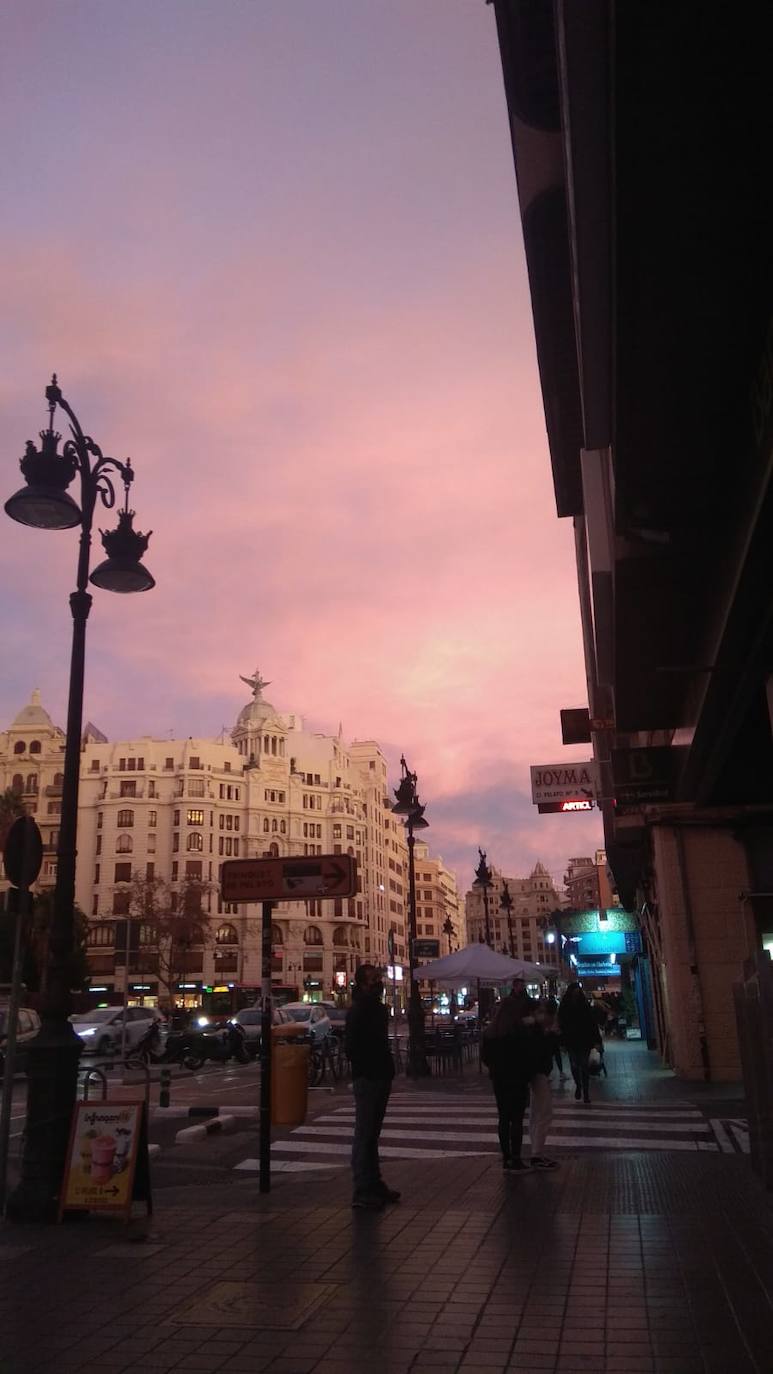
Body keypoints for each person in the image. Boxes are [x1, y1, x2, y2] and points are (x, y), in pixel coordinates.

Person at [344, 963, 399, 1210]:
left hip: (379, 1074)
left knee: (371, 1134)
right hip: (368, 1077)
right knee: (365, 1133)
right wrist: (368, 1067)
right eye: (374, 979)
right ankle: (362, 1189)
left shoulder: (374, 1008)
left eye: (379, 977)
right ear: (363, 984)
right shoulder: (360, 1009)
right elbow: (352, 1047)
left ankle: (374, 1184)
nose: (379, 982)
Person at [481, 986, 533, 1171]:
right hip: (517, 1078)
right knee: (517, 1119)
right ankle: (517, 1158)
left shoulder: (490, 1033)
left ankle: (506, 1157)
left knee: (503, 1117)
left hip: (499, 1079)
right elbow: (527, 1056)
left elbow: (485, 1058)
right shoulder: (519, 1032)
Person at [558, 982, 602, 1105]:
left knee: (583, 1065)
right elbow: (561, 1024)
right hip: (573, 1040)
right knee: (575, 1065)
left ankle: (585, 1092)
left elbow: (592, 1023)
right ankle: (579, 1085)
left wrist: (597, 1040)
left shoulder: (581, 1005)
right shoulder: (566, 1005)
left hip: (583, 1040)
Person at [528, 998, 560, 1169]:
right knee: (544, 1112)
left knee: (536, 1112)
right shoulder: (537, 1029)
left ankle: (536, 1151)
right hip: (538, 1072)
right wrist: (550, 1035)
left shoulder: (536, 1027)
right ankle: (537, 1154)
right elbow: (542, 1051)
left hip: (536, 1072)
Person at [546, 993, 566, 1080]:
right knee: (557, 1055)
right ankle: (561, 1072)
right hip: (555, 1036)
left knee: (549, 1056)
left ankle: (549, 1073)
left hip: (548, 1037)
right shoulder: (556, 1016)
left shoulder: (545, 1016)